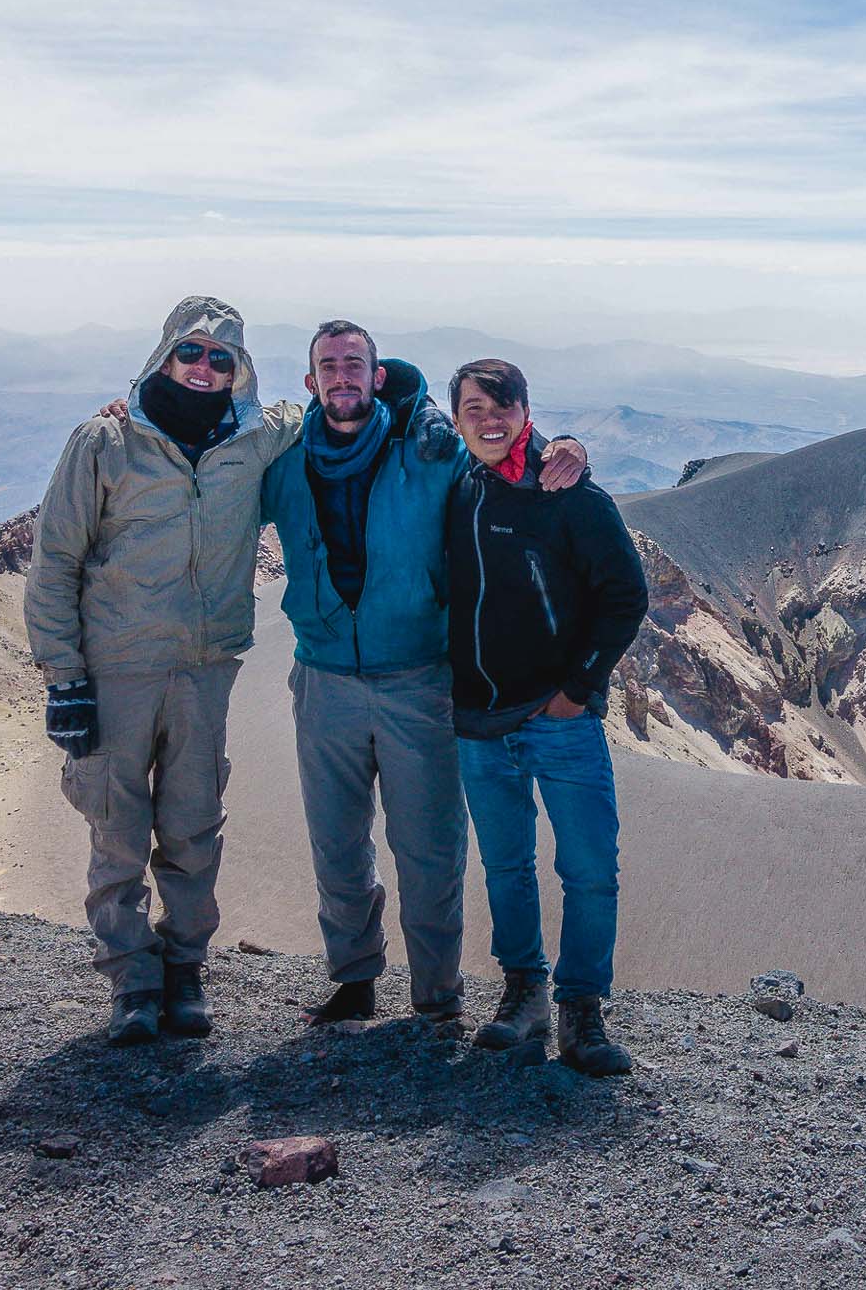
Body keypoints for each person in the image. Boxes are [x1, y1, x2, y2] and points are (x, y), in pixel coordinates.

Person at [259, 322, 587, 1028]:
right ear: (310, 382)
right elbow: (202, 471)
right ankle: (354, 979)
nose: (341, 376)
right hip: (322, 681)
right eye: (328, 366)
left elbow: (499, 451)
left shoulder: (427, 453)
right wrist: (127, 415)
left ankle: (436, 996)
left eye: (355, 364)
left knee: (430, 849)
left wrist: (565, 449)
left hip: (418, 680)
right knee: (337, 844)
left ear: (379, 377)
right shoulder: (282, 467)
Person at [25, 297, 302, 1046]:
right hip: (118, 665)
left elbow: (321, 407)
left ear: (238, 369)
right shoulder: (106, 441)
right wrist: (64, 679)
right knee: (116, 828)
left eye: (222, 358)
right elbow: (54, 561)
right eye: (192, 352)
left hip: (205, 667)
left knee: (192, 825)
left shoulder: (254, 436)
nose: (205, 369)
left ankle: (185, 969)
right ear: (164, 354)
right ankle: (132, 980)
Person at [443, 357, 647, 1075]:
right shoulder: (457, 489)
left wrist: (577, 691)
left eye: (502, 405)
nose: (489, 419)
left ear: (526, 410)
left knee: (590, 869)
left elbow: (626, 595)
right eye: (474, 408)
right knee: (505, 867)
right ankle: (523, 994)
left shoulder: (570, 494)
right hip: (477, 720)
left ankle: (582, 1010)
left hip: (559, 720)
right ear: (457, 418)